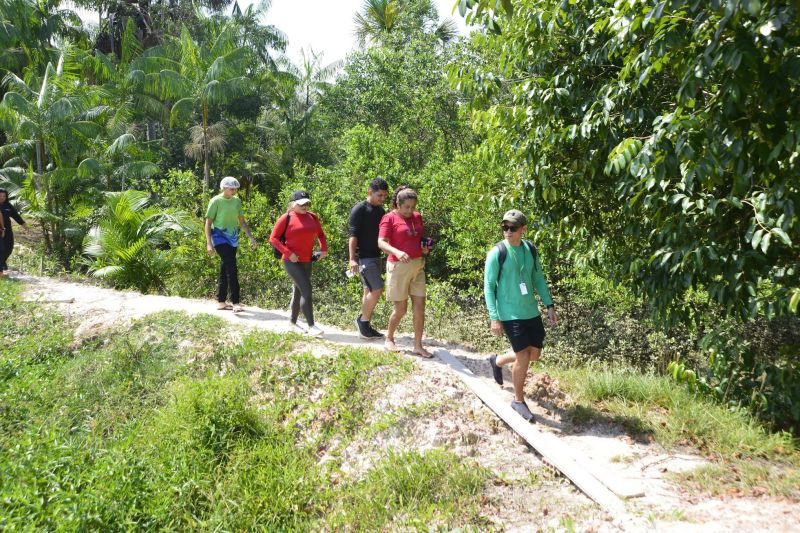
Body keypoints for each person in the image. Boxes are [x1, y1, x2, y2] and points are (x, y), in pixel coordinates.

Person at [484, 209, 557, 422]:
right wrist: (494, 317)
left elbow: (539, 279)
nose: (508, 231)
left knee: (534, 354)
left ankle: (497, 361)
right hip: (509, 313)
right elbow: (489, 287)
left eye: (513, 228)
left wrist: (549, 304)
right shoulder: (497, 253)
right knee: (523, 355)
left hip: (530, 311)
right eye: (504, 227)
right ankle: (518, 400)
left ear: (523, 229)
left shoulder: (530, 250)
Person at [378, 186, 432, 358]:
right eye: (406, 207)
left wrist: (424, 249)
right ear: (397, 204)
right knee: (401, 309)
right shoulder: (389, 218)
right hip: (398, 267)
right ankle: (389, 338)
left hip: (418, 265)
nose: (410, 211)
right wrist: (397, 252)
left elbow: (417, 238)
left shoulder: (417, 217)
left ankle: (418, 345)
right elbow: (381, 242)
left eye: (413, 207)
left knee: (420, 308)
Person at [270, 190, 328, 337]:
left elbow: (320, 234)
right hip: (290, 261)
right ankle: (311, 326)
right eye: (301, 204)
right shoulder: (286, 218)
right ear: (293, 204)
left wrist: (323, 250)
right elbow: (274, 239)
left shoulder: (312, 217)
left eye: (307, 203)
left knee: (299, 291)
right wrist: (289, 253)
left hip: (307, 259)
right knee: (307, 289)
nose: (305, 206)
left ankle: (292, 322)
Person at [204, 177, 257, 313]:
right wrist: (209, 243)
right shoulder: (215, 201)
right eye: (231, 188)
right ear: (224, 188)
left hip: (233, 238)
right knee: (232, 269)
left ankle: (221, 301)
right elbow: (208, 223)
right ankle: (236, 302)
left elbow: (242, 221)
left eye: (235, 189)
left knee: (225, 268)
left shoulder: (237, 201)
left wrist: (251, 237)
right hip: (219, 237)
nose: (234, 191)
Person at [348, 177, 389, 340]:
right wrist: (352, 259)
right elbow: (353, 235)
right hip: (364, 258)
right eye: (380, 195)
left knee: (368, 290)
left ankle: (365, 324)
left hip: (376, 256)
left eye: (385, 196)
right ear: (370, 192)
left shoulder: (380, 211)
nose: (382, 199)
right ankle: (362, 322)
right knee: (377, 289)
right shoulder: (360, 209)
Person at [0, 188, 26, 276]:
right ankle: (1, 267)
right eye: (0, 196)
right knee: (1, 249)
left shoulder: (8, 205)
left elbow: (16, 216)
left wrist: (24, 226)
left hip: (8, 230)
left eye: (4, 196)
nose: (2, 197)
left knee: (9, 248)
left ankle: (2, 262)